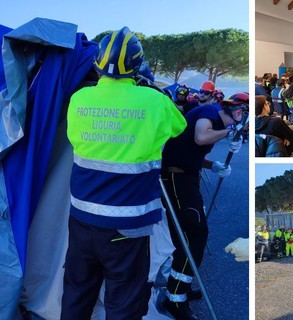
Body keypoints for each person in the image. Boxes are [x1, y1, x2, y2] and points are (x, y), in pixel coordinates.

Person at [60, 26, 187, 320]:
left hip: (81, 222)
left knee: (77, 293)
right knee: (123, 303)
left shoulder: (79, 99)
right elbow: (180, 127)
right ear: (137, 65)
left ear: (98, 63)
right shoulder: (155, 102)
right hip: (127, 228)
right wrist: (149, 89)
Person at [160, 92, 248, 319]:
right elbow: (201, 137)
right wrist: (231, 131)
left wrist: (214, 165)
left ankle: (180, 288)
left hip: (186, 176)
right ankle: (175, 299)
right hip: (175, 178)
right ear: (238, 112)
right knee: (193, 234)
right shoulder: (209, 112)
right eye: (242, 115)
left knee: (194, 235)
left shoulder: (214, 120)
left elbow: (192, 152)